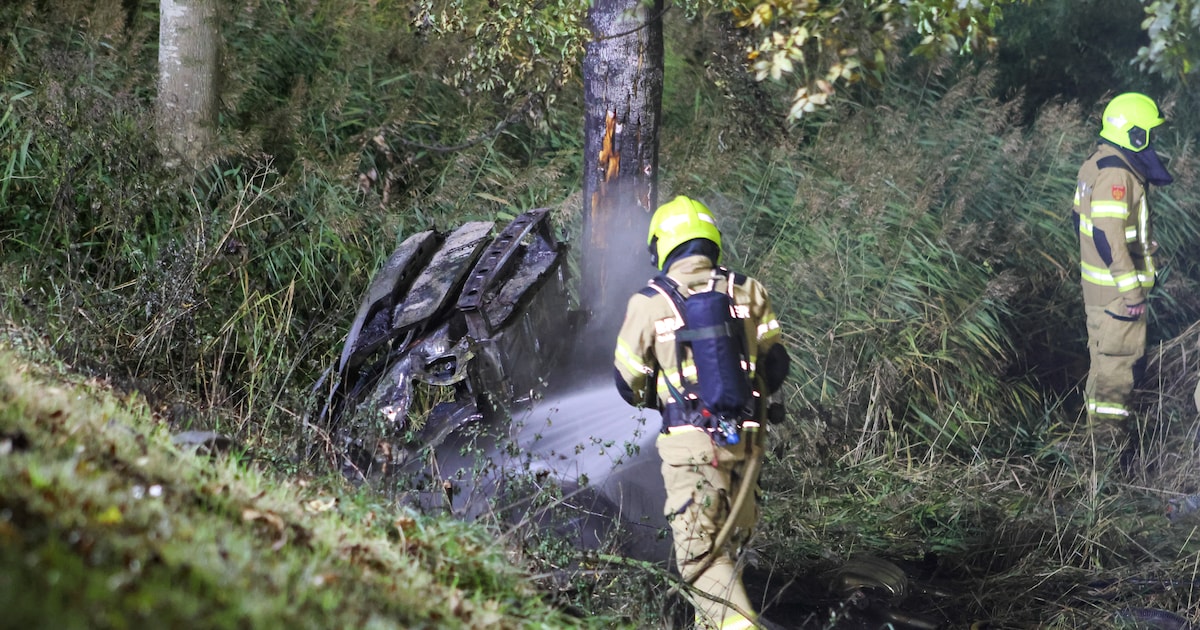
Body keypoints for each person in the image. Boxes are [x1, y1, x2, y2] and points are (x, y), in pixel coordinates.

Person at [613, 195, 790, 630]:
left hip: (693, 452)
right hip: (746, 449)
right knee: (725, 556)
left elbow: (627, 381)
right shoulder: (748, 291)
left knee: (698, 558)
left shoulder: (649, 302)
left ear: (663, 246)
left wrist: (654, 392)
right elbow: (777, 364)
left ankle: (739, 627)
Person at [1072, 92, 1173, 452]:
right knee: (1115, 376)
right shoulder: (1117, 173)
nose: (1153, 140)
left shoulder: (1098, 162)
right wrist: (1131, 292)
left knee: (1102, 369)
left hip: (1101, 292)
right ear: (1134, 135)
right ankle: (1107, 460)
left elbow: (1085, 225)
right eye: (1149, 132)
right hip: (1118, 299)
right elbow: (1106, 233)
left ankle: (1094, 454)